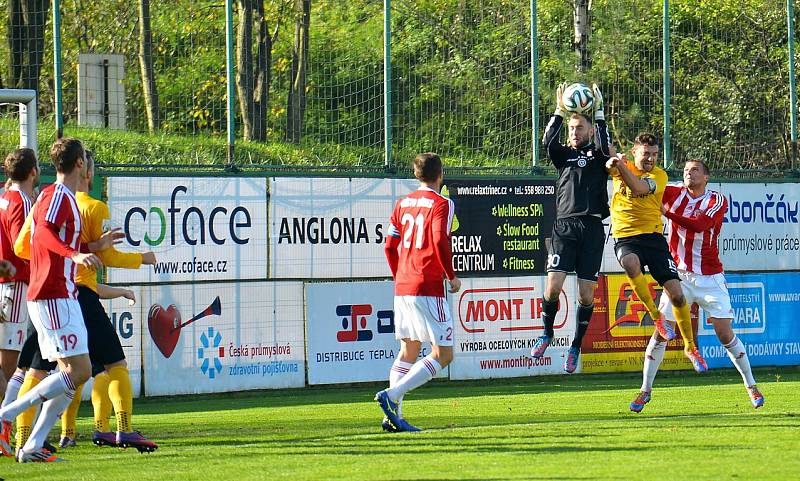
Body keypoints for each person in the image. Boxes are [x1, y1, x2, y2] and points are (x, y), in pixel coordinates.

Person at [630, 160, 763, 412]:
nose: (688, 174)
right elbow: (645, 188)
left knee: (725, 334)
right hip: (678, 275)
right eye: (686, 170)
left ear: (706, 177)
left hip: (710, 278)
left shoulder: (717, 201)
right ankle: (644, 391)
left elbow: (700, 225)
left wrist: (666, 213)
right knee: (661, 332)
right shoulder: (673, 191)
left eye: (695, 170)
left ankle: (752, 386)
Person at [0, 137, 102, 462]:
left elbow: (39, 241)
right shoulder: (58, 195)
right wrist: (73, 254)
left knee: (70, 375)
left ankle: (32, 445)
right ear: (80, 164)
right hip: (53, 294)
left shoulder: (49, 194)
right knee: (79, 370)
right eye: (86, 160)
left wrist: (90, 250)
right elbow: (42, 232)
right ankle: (8, 413)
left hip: (57, 293)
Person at [58, 150, 158, 451]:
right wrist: (142, 258)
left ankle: (67, 432)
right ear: (87, 173)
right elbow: (108, 256)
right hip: (83, 296)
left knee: (72, 369)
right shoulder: (94, 207)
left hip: (59, 295)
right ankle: (123, 429)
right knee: (115, 363)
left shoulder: (56, 205)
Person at [374, 152, 460, 432]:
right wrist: (451, 275)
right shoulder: (442, 203)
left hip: (403, 285)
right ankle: (393, 395)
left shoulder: (402, 204)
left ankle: (392, 418)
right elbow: (437, 239)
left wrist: (400, 274)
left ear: (416, 175)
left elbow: (389, 246)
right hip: (427, 285)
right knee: (443, 354)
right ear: (440, 174)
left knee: (408, 350)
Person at [607, 134, 707, 372]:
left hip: (652, 237)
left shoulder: (659, 176)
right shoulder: (622, 165)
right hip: (626, 236)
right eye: (646, 153)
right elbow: (607, 156)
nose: (650, 158)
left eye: (654, 154)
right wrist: (611, 162)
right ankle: (656, 317)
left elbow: (639, 188)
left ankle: (690, 347)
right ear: (634, 151)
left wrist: (619, 165)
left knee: (677, 295)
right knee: (630, 263)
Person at [530, 82, 612, 373]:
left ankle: (575, 346)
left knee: (586, 295)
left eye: (579, 128)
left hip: (591, 228)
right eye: (572, 128)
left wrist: (600, 114)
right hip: (564, 226)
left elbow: (606, 146)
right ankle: (547, 334)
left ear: (589, 131)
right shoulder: (562, 155)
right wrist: (558, 111)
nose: (574, 133)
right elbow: (546, 142)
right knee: (553, 287)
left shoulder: (599, 155)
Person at [0, 148, 38, 408]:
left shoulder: (4, 197)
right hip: (15, 285)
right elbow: (20, 245)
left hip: (6, 283)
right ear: (34, 172)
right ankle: (4, 427)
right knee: (8, 365)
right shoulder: (21, 202)